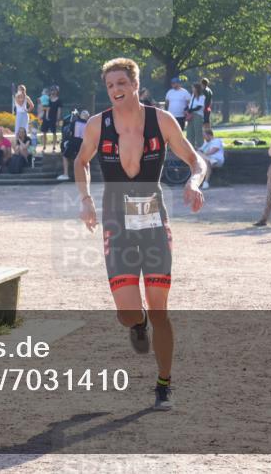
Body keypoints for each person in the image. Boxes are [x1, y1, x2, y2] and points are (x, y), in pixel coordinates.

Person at [75, 57, 206, 411]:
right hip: (116, 223)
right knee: (128, 312)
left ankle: (163, 383)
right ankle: (138, 323)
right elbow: (80, 161)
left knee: (161, 308)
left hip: (152, 223)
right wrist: (86, 200)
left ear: (135, 85)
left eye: (121, 83)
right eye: (110, 85)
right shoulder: (96, 125)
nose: (116, 90)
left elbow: (197, 160)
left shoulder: (160, 121)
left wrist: (194, 182)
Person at [59, 109, 88, 180]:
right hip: (83, 145)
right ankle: (85, 175)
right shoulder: (88, 124)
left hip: (73, 143)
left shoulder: (75, 122)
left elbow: (69, 132)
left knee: (65, 156)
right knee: (83, 160)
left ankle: (66, 174)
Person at [41, 86, 62, 152]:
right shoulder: (47, 99)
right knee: (44, 132)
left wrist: (58, 120)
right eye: (52, 90)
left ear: (57, 91)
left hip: (53, 118)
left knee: (54, 133)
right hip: (46, 118)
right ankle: (44, 147)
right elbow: (43, 107)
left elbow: (59, 111)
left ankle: (54, 147)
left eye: (55, 90)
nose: (53, 91)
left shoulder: (59, 101)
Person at [185, 83, 206, 148]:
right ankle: (190, 147)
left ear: (197, 89)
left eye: (193, 88)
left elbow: (199, 107)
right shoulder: (193, 96)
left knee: (198, 132)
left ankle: (201, 147)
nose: (192, 89)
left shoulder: (202, 96)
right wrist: (186, 109)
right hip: (191, 115)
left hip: (198, 115)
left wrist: (190, 110)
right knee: (190, 131)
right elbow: (190, 105)